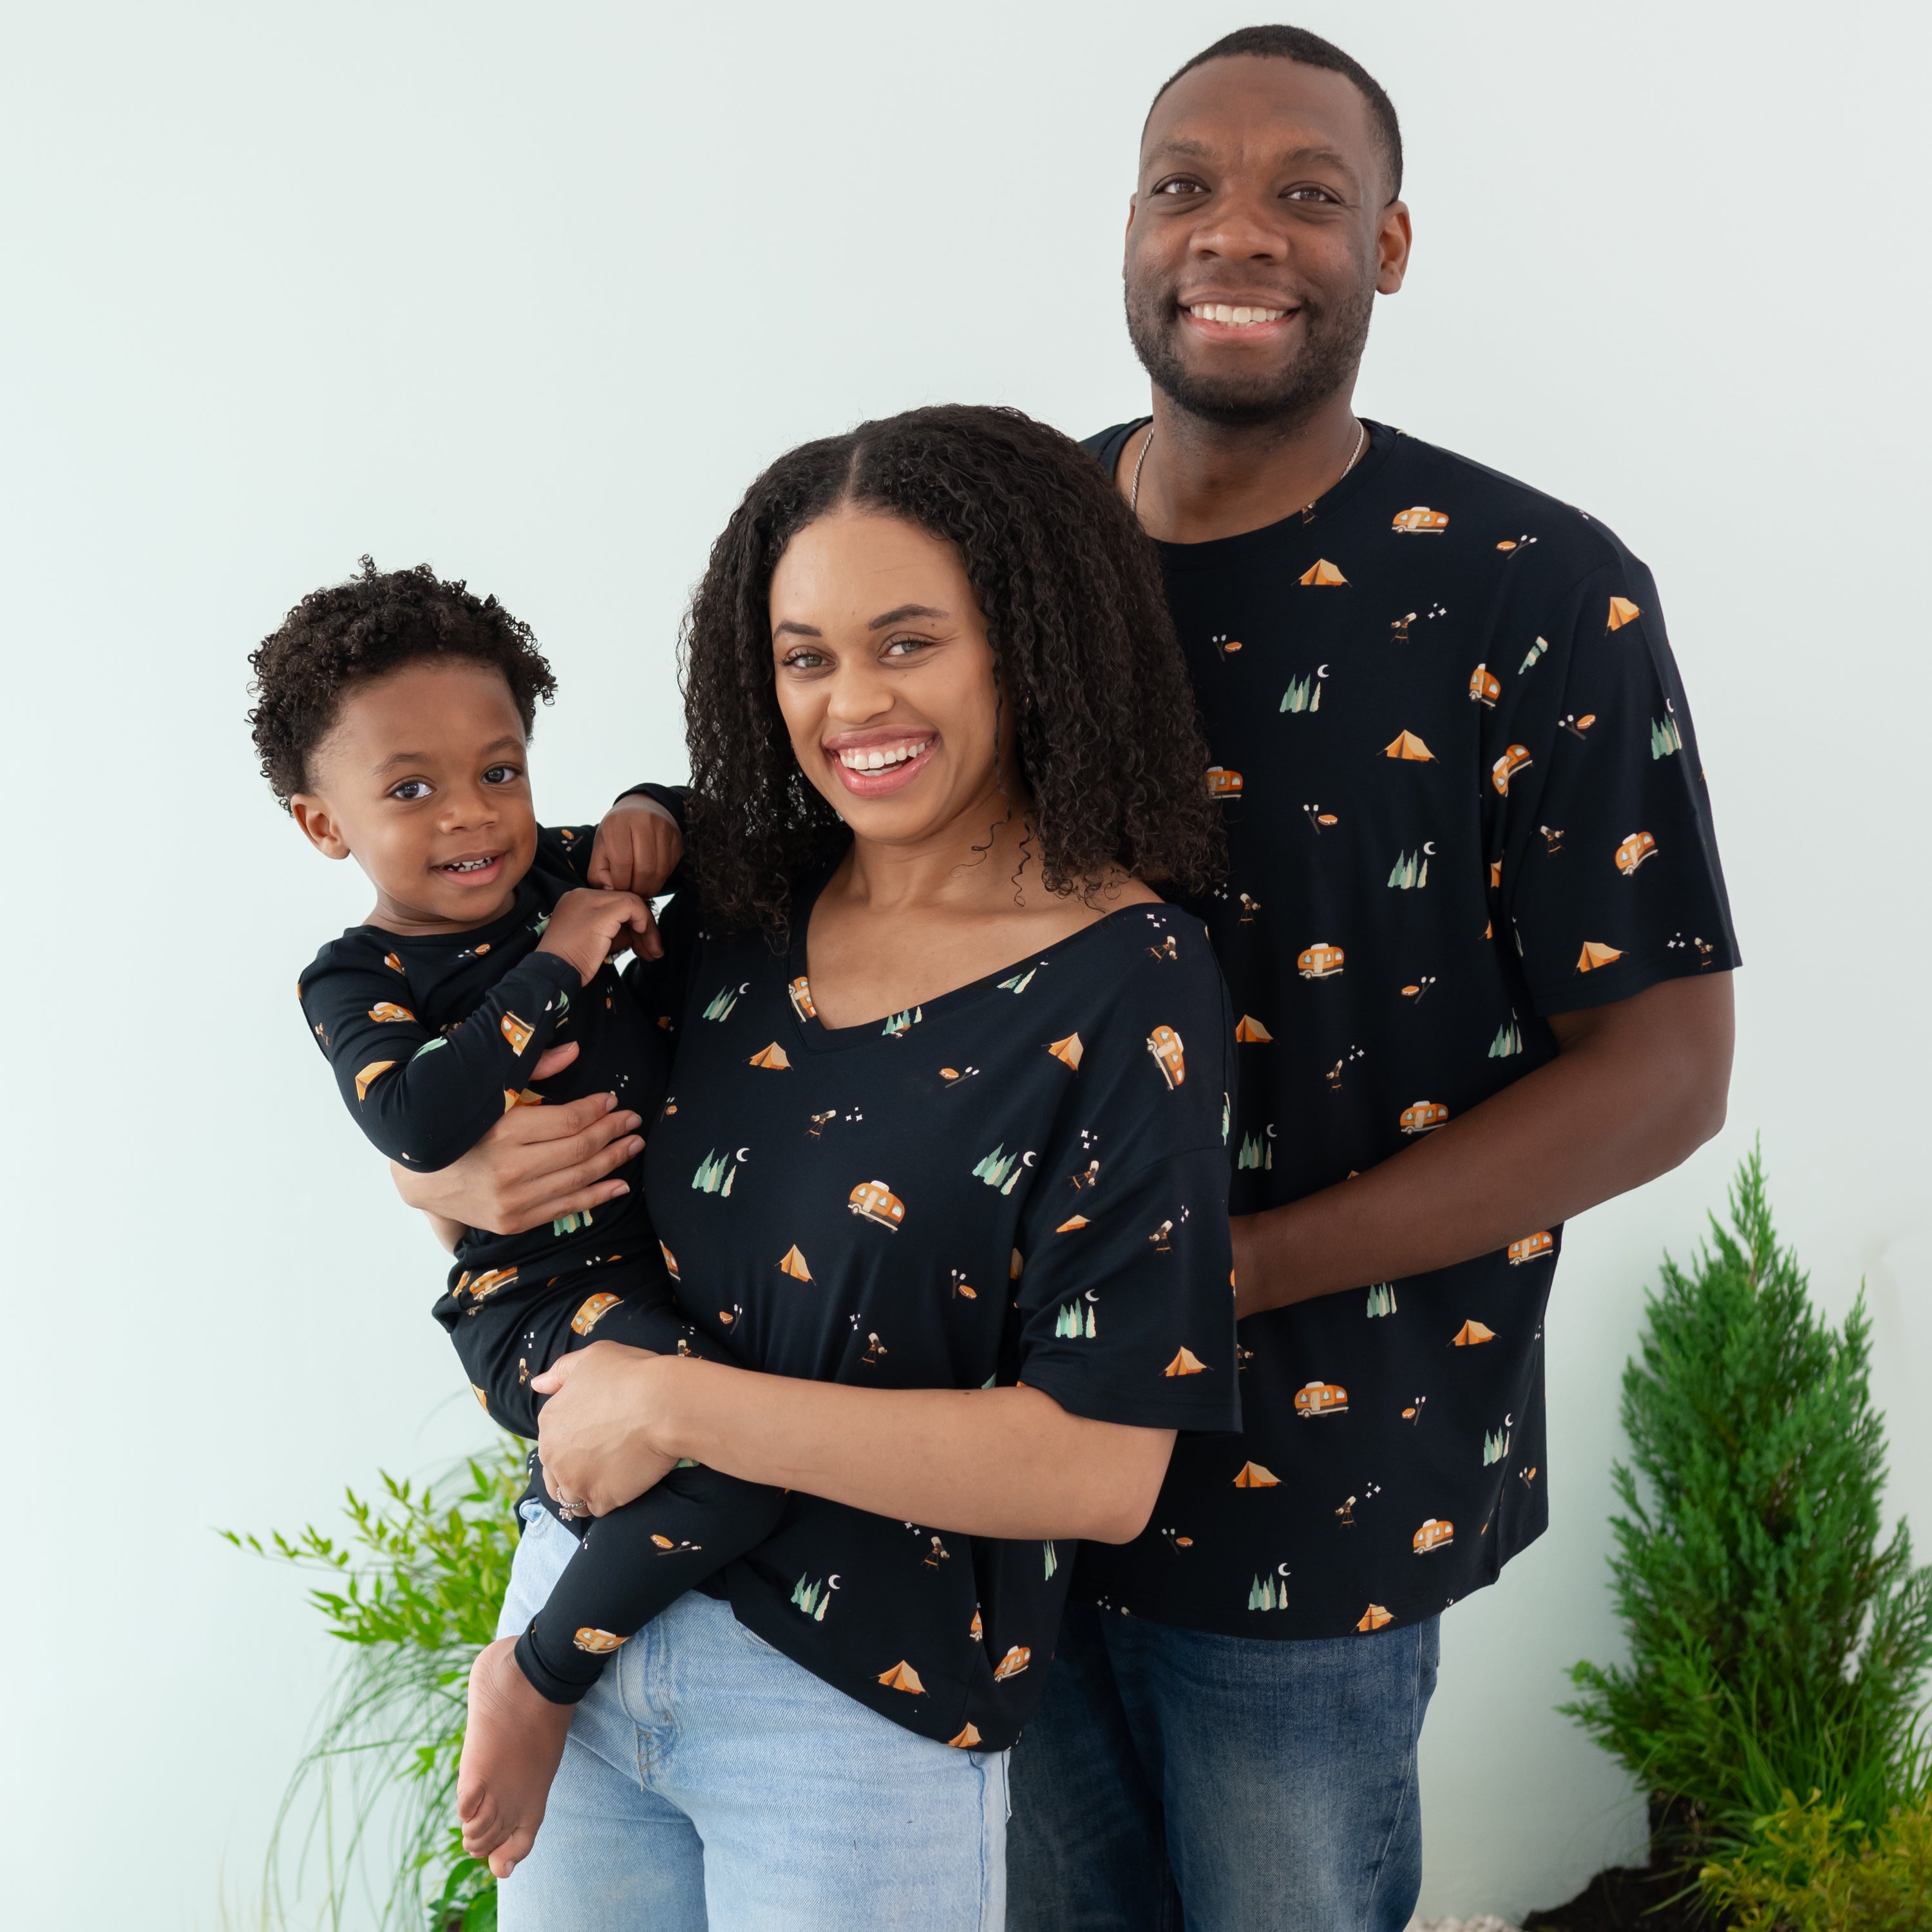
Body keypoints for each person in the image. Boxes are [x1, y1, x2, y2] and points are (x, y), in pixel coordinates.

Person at [1001, 26, 1741, 1932]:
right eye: (1186, 186)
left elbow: (1661, 1069)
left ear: (1390, 248)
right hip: (992, 1435)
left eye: (1305, 194)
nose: (1235, 232)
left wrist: (1234, 1273)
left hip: (1325, 1475)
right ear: (1128, 236)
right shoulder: (1017, 558)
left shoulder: (1536, 591)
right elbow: (832, 834)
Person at [390, 404, 1243, 1927]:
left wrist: (681, 1404)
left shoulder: (1130, 980)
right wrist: (438, 1182)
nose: (853, 702)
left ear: (1025, 644)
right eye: (807, 657)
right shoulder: (718, 900)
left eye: (907, 642)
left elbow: (1101, 1469)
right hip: (572, 1639)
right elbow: (463, 1088)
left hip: (852, 1712)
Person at [252, 560, 791, 1873]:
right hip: (532, 1304)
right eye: (412, 790)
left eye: (501, 772)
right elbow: (425, 1123)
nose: (472, 818)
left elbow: (728, 829)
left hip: (666, 1271)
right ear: (325, 826)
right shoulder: (357, 974)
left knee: (777, 1425)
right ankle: (537, 1676)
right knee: (747, 1445)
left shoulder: (563, 869)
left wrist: (649, 814)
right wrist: (564, 956)